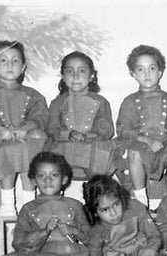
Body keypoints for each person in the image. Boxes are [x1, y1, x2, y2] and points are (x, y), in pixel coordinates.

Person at [0, 40, 48, 215]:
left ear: (23, 66)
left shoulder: (33, 95)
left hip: (25, 141)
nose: (10, 65)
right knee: (11, 149)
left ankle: (29, 200)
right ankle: (7, 201)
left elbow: (41, 117)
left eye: (15, 60)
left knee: (33, 145)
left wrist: (26, 128)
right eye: (3, 60)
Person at [115, 44, 167, 207]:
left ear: (160, 72)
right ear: (133, 73)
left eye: (152, 68)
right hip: (141, 144)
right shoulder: (130, 101)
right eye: (141, 69)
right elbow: (123, 129)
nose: (147, 74)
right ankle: (140, 197)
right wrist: (147, 141)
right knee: (133, 152)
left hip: (166, 144)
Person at [83, 174, 162, 256]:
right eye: (105, 210)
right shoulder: (96, 231)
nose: (114, 213)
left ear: (121, 199)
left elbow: (154, 236)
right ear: (95, 212)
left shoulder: (136, 208)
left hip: (141, 254)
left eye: (116, 204)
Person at [47, 51, 116, 179]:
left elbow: (106, 128)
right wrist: (68, 135)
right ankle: (53, 196)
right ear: (62, 76)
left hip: (89, 145)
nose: (75, 76)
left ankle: (96, 190)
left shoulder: (100, 102)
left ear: (91, 76)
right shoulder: (57, 103)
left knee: (101, 149)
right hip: (64, 147)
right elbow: (52, 128)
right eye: (69, 71)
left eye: (82, 71)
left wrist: (87, 136)